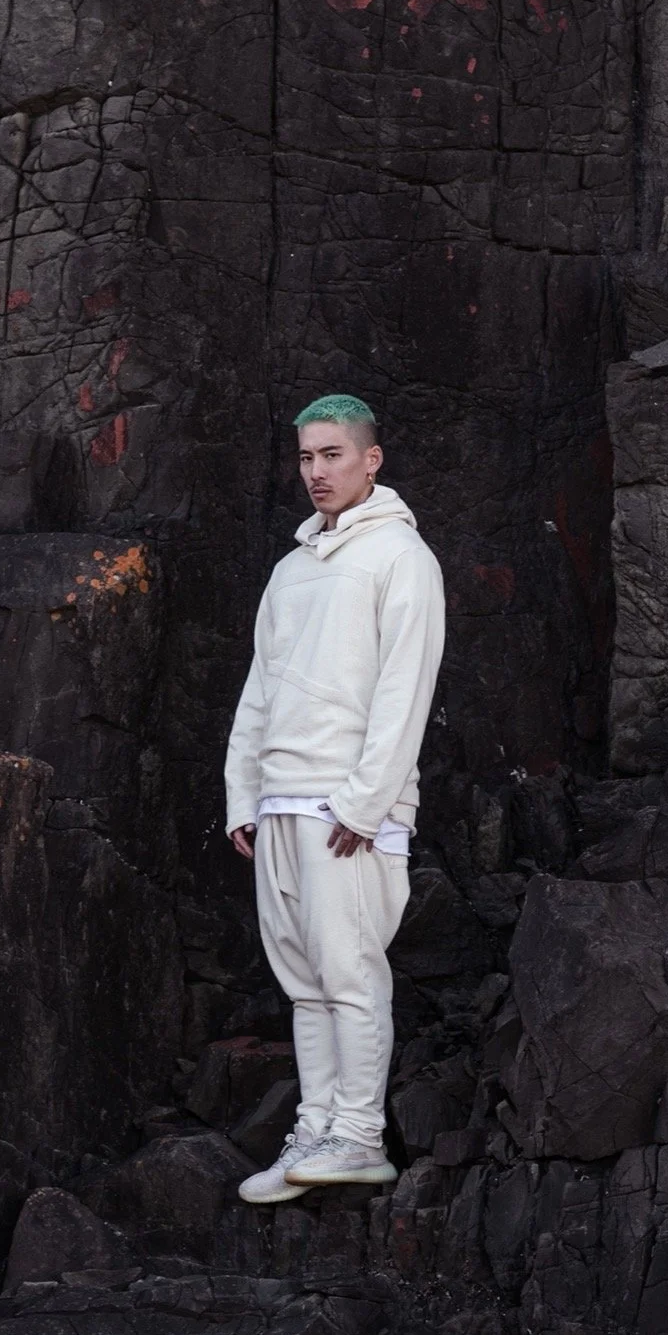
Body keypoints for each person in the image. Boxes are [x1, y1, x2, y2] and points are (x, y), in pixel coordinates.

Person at [225, 394, 447, 1203]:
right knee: (306, 984)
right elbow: (261, 688)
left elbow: (404, 691)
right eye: (306, 457)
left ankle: (358, 1137)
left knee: (350, 974)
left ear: (370, 458)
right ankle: (317, 1134)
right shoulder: (291, 570)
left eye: (333, 455)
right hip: (280, 802)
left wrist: (364, 803)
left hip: (348, 809)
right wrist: (243, 795)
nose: (317, 472)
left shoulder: (401, 557)